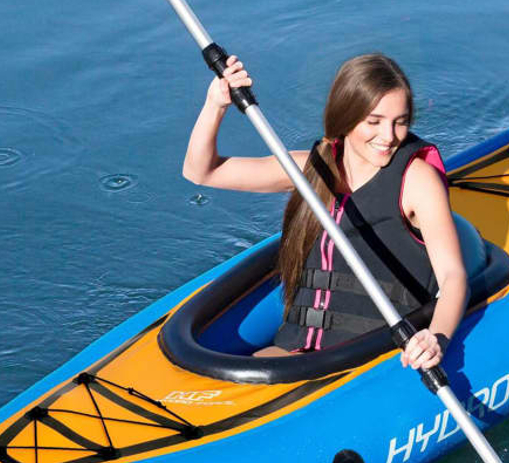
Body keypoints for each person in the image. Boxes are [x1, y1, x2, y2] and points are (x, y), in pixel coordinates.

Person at [182, 53, 468, 372]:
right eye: (374, 121)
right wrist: (215, 104)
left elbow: (453, 276)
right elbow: (201, 172)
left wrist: (436, 337)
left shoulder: (417, 180)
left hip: (372, 354)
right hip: (297, 353)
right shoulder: (312, 168)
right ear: (346, 117)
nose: (388, 137)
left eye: (400, 122)